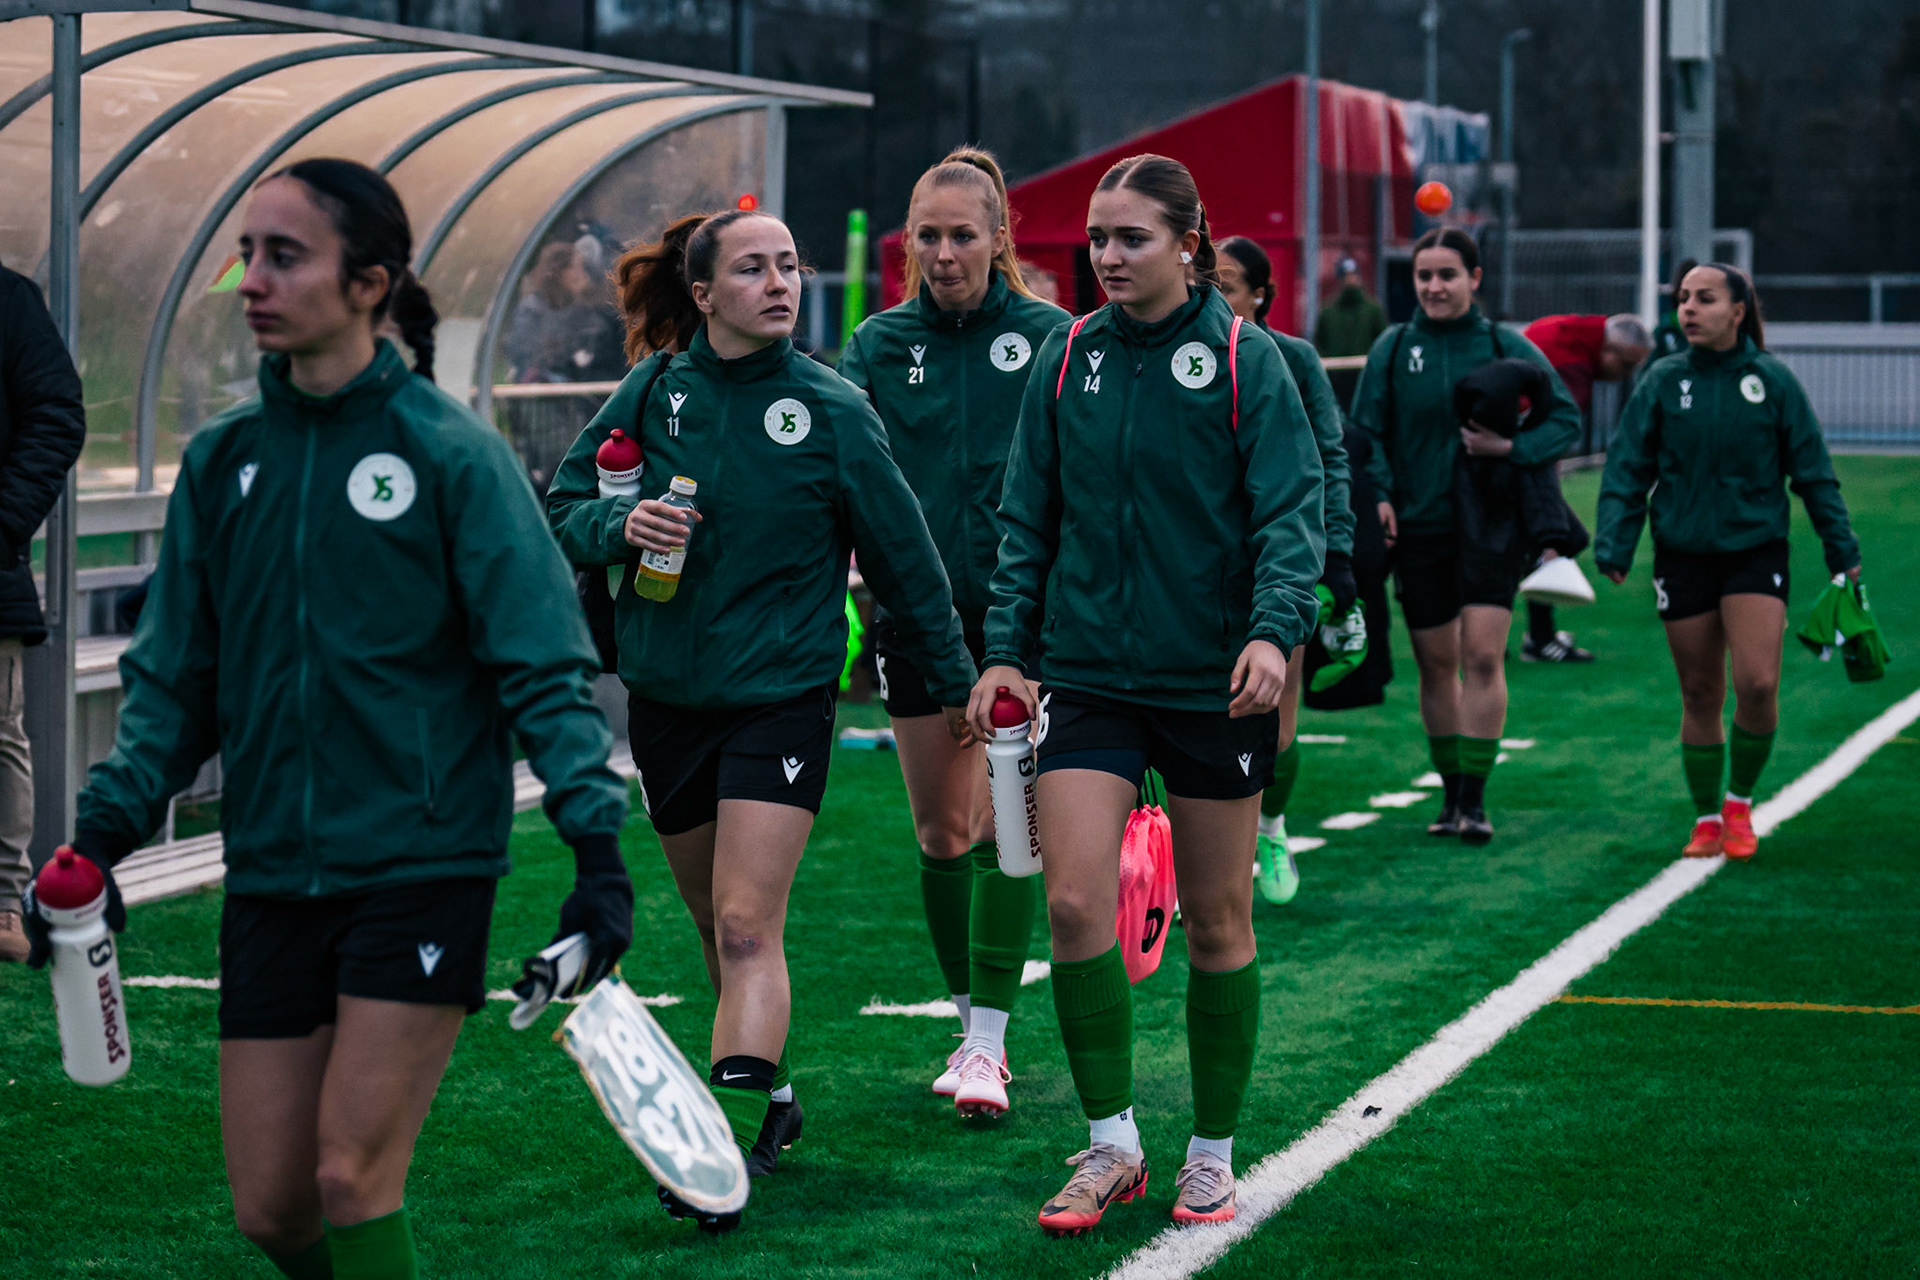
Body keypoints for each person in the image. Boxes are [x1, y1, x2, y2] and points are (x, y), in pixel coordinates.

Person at [22, 158, 633, 1280]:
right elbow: (172, 687)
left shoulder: (450, 456)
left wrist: (598, 854)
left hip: (421, 862)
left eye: (284, 254)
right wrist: (100, 839)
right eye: (247, 252)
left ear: (369, 283)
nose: (251, 277)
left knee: (353, 1175)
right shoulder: (221, 464)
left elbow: (542, 667)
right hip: (271, 871)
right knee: (274, 1209)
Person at [546, 207, 977, 1216]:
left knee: (747, 922)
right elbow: (566, 504)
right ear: (703, 296)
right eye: (753, 268)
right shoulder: (656, 390)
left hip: (780, 699)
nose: (780, 283)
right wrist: (624, 519)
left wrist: (956, 679)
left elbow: (908, 561)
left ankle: (722, 1151)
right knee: (711, 919)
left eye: (790, 264)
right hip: (664, 702)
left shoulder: (830, 409)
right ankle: (772, 1094)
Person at [970, 154, 1324, 1234]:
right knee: (1074, 905)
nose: (1108, 256)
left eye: (1130, 237)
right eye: (1098, 237)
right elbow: (1026, 518)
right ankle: (1112, 1142)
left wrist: (1273, 633)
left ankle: (1210, 1155)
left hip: (1214, 682)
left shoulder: (1242, 358)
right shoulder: (1067, 355)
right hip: (1089, 674)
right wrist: (1002, 650)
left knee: (1219, 919)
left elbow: (1291, 513)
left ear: (1187, 239)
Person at [837, 148, 1068, 1116]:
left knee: (1006, 828)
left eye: (961, 234)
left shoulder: (1054, 336)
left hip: (1024, 618)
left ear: (999, 237)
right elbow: (847, 476)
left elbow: (1079, 481)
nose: (942, 252)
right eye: (926, 235)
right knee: (943, 828)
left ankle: (986, 1044)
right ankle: (968, 1014)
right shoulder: (877, 345)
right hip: (916, 617)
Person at [1595, 264, 1860, 860]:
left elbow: (1813, 474)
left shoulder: (1773, 381)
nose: (1688, 309)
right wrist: (1615, 542)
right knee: (1700, 691)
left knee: (1758, 685)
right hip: (1682, 555)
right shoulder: (1662, 380)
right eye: (1683, 299)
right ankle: (1708, 817)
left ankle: (1740, 802)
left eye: (1705, 299)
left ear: (1738, 312)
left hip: (1753, 552)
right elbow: (1628, 467)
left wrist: (1843, 552)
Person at [1352, 227, 1581, 843]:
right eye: (1424, 275)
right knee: (1436, 663)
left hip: (1491, 527)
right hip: (1419, 528)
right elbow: (1364, 435)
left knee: (1483, 656)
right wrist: (1378, 495)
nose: (1433, 286)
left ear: (1475, 279)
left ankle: (1475, 803)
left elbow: (1566, 418)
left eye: (1447, 275)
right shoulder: (1394, 347)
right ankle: (1449, 794)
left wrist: (1514, 447)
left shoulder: (1504, 343)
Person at [1214, 236, 1353, 905]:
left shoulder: (1291, 359)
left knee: (1273, 718)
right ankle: (1199, 868)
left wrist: (1338, 557)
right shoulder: (1173, 353)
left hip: (1276, 566)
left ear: (1262, 295)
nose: (1217, 294)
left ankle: (1270, 828)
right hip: (1192, 572)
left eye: (1232, 283)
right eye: (1208, 280)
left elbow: (1326, 460)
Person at [0, 263, 86, 963]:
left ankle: (0, 904)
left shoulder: (7, 298)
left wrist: (0, 521)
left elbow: (57, 415)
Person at [1516, 311, 1653, 663]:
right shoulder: (1573, 366)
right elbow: (1552, 433)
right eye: (1625, 365)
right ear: (1608, 349)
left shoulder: (1571, 330)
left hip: (1504, 449)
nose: (1625, 375)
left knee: (1549, 542)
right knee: (1558, 539)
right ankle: (1536, 639)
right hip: (1514, 458)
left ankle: (1514, 634)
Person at [1314, 255, 1387, 408]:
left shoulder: (1372, 310)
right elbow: (1320, 343)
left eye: (1353, 275)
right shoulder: (1328, 311)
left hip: (1365, 379)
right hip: (1336, 380)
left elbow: (1383, 342)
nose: (1350, 280)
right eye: (1346, 276)